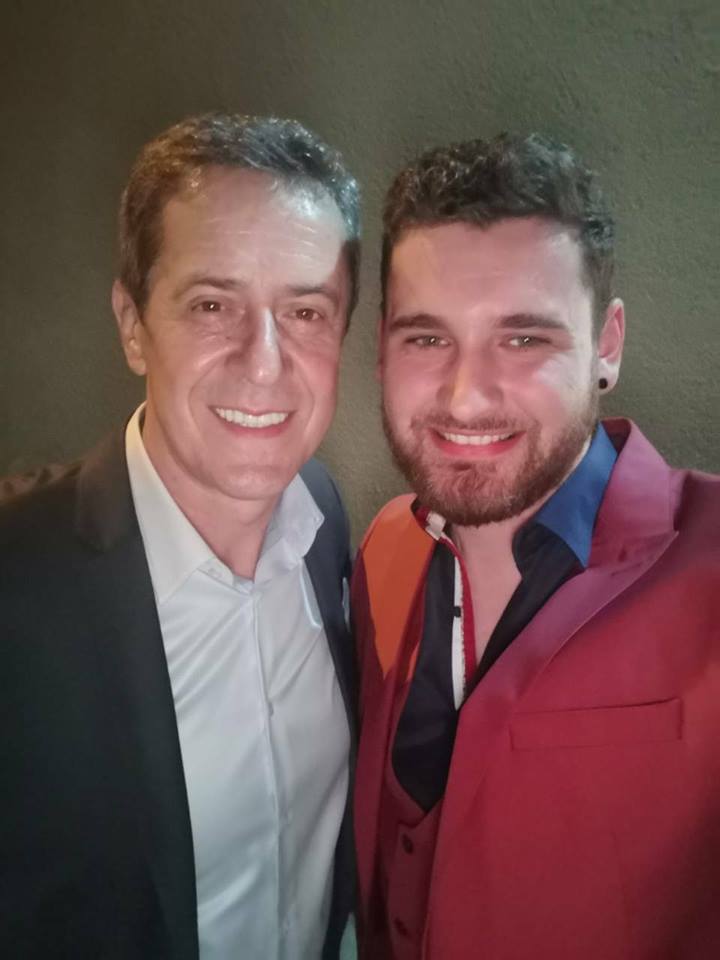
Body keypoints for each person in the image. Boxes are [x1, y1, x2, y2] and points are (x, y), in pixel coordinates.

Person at [0, 113, 360, 960]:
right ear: (133, 325)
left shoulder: (323, 517)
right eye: (211, 305)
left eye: (305, 311)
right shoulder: (16, 581)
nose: (264, 361)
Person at [352, 133, 720, 959]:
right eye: (426, 338)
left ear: (607, 345)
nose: (464, 396)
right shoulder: (380, 551)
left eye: (523, 339)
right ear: (381, 347)